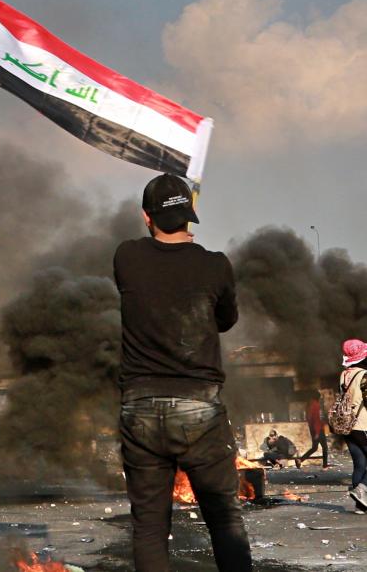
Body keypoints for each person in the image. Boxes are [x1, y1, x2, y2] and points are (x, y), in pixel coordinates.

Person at [114, 174, 251, 572]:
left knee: (150, 529)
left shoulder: (127, 257)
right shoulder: (215, 266)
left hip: (139, 409)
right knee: (224, 519)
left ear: (146, 217)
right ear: (191, 216)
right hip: (199, 411)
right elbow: (225, 321)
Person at [338, 339, 367, 513]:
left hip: (347, 426)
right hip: (363, 424)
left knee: (360, 464)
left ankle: (360, 506)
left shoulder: (344, 375)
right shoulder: (364, 375)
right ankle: (362, 488)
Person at [297, 393, 329, 469]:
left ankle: (300, 459)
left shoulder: (309, 405)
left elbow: (310, 419)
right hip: (318, 430)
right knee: (325, 448)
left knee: (314, 448)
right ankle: (325, 466)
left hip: (313, 429)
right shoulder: (316, 405)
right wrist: (317, 432)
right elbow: (316, 420)